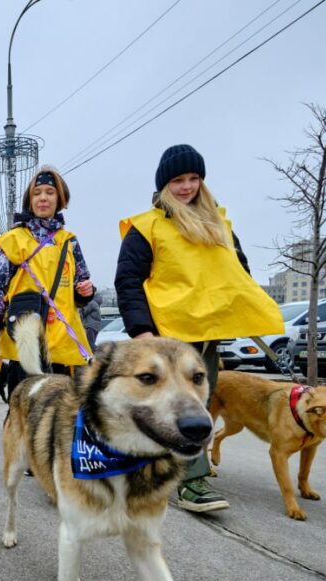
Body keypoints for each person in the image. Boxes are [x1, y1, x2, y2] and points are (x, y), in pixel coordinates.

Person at [115, 144, 284, 513]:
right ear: (164, 185)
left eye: (194, 179)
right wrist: (141, 330)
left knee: (197, 404)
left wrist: (241, 312)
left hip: (207, 334)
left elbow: (237, 274)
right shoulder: (147, 228)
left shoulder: (219, 226)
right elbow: (128, 280)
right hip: (167, 334)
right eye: (178, 180)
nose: (187, 186)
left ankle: (188, 477)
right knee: (166, 404)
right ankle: (170, 473)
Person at [0, 167, 95, 398]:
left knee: (58, 414)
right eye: (37, 193)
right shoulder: (14, 240)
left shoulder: (69, 242)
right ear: (29, 200)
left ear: (60, 199)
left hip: (62, 339)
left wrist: (85, 291)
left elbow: (81, 286)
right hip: (26, 337)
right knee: (23, 412)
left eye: (50, 192)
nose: (43, 198)